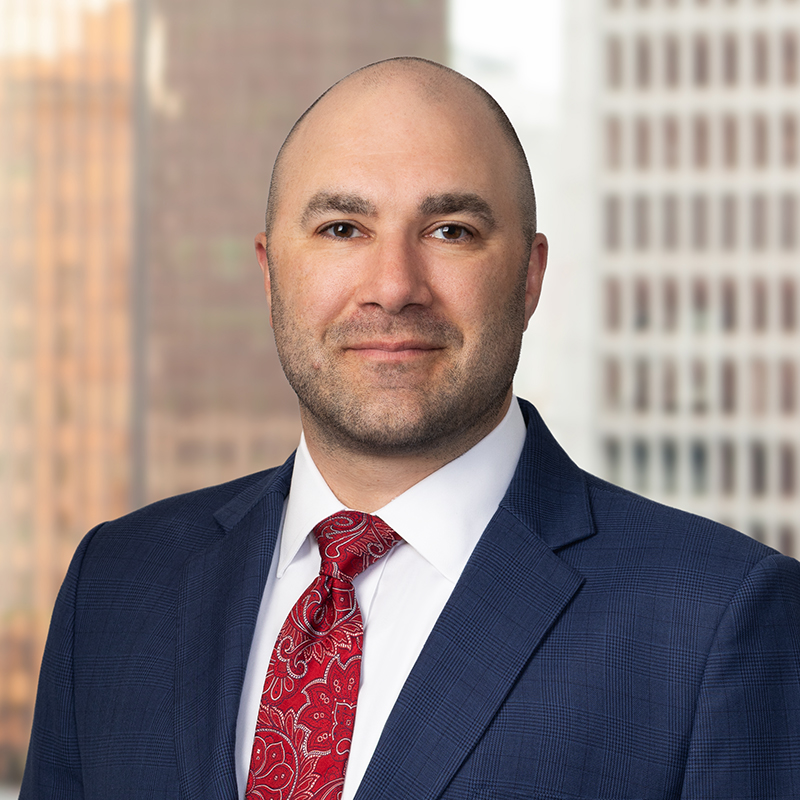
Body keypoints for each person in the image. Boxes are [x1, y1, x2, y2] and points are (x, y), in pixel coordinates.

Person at [21, 57, 800, 800]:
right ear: (269, 273)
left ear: (530, 277)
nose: (394, 286)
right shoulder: (116, 586)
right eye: (341, 229)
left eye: (451, 230)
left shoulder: (713, 620)